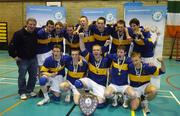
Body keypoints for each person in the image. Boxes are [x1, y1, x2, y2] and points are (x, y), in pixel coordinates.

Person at [74, 33, 111, 108]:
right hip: (90, 81)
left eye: (98, 50)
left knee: (100, 104)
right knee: (78, 83)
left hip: (100, 85)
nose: (96, 52)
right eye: (94, 50)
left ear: (101, 52)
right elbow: (82, 48)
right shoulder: (90, 57)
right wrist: (81, 38)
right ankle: (85, 96)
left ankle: (92, 95)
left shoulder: (107, 60)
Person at [8, 18, 38, 100]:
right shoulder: (18, 34)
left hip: (33, 59)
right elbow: (11, 46)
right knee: (22, 76)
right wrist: (14, 56)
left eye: (34, 25)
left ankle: (29, 90)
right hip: (22, 60)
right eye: (30, 24)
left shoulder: (35, 32)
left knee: (33, 76)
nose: (32, 26)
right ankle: (22, 92)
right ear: (26, 24)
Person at [128, 18, 160, 88]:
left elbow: (150, 45)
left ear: (138, 25)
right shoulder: (131, 31)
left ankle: (152, 87)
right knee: (140, 72)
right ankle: (140, 87)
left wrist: (142, 36)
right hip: (138, 56)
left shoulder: (146, 32)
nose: (133, 27)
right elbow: (124, 28)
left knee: (150, 71)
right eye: (131, 26)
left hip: (147, 56)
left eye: (134, 26)